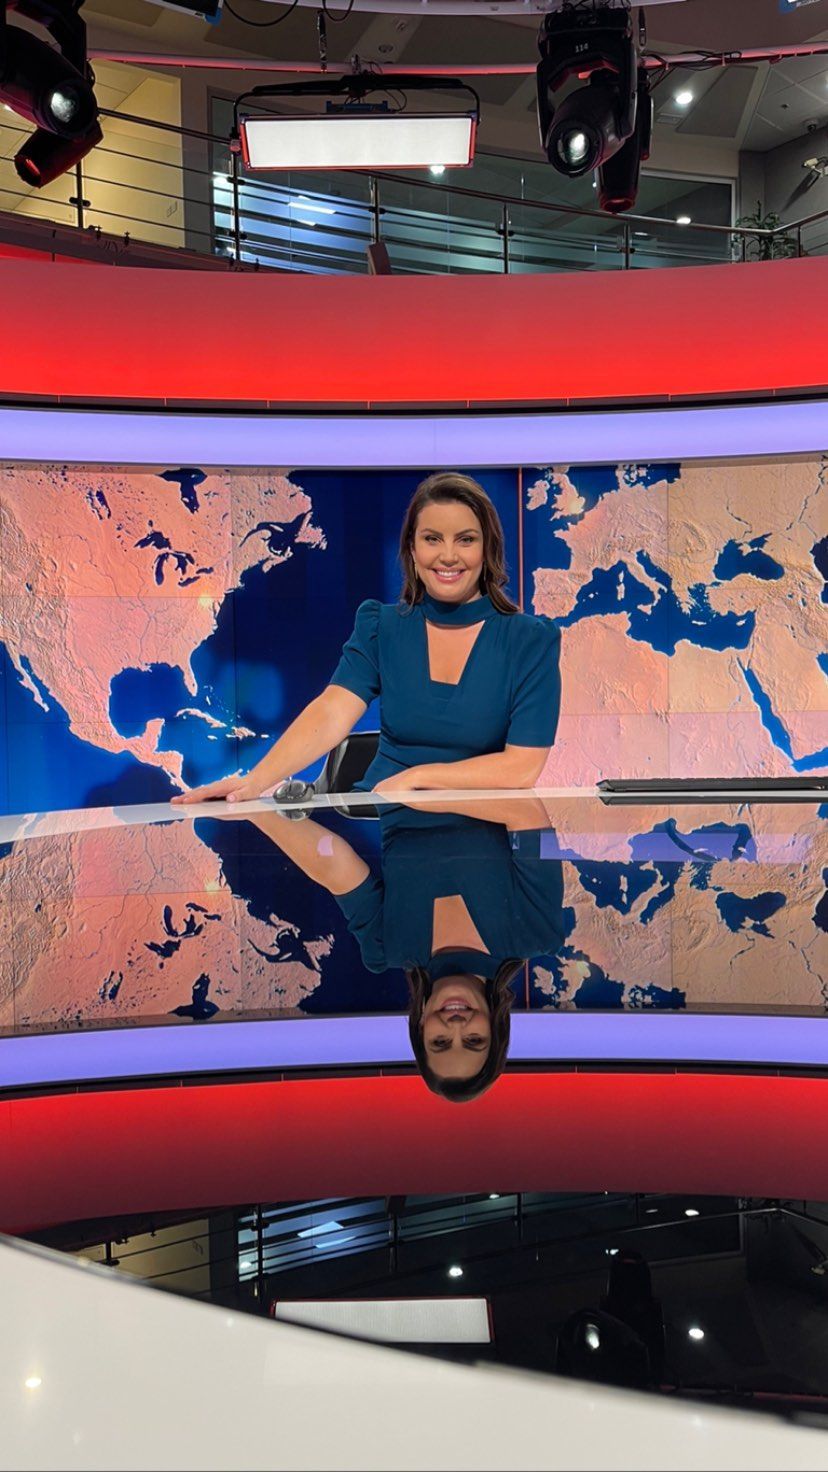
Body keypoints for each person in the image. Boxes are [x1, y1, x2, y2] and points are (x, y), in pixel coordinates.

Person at [171, 472, 561, 806]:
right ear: (412, 549)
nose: (447, 555)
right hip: (387, 824)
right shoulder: (382, 627)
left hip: (484, 839)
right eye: (431, 539)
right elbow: (332, 712)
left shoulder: (530, 641)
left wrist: (419, 777)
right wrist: (255, 782)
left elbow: (522, 767)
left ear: (487, 548)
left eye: (465, 539)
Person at [228, 793, 566, 1102]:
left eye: (440, 1042)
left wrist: (253, 809)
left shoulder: (386, 946)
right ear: (496, 1027)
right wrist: (421, 792)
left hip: (395, 760)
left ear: (421, 1027)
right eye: (474, 1040)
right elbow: (529, 813)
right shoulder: (538, 933)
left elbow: (335, 866)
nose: (456, 1025)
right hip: (484, 757)